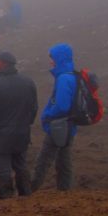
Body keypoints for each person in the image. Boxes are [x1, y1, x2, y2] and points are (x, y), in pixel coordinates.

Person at [0, 51, 38, 199]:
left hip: (1, 136)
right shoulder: (28, 82)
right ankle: (25, 195)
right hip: (22, 133)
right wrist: (26, 124)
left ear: (0, 63)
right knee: (21, 165)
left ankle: (6, 198)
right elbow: (33, 108)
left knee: (3, 169)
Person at [32, 43, 78, 192]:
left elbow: (62, 106)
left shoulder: (64, 78)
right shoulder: (71, 75)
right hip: (70, 125)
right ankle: (65, 191)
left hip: (59, 125)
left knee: (44, 159)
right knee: (64, 161)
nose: (50, 61)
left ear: (59, 58)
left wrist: (48, 115)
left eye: (52, 58)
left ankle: (28, 191)